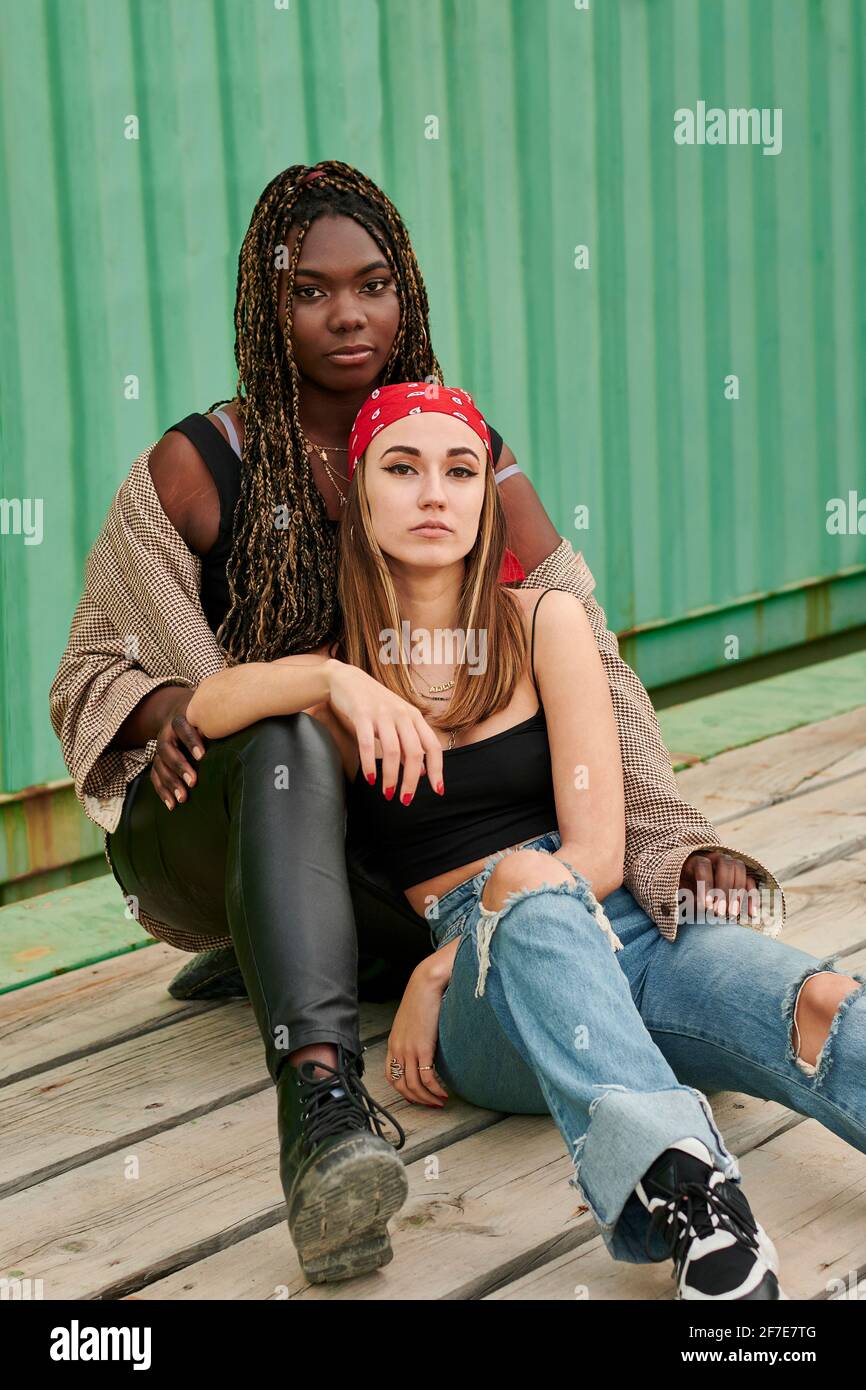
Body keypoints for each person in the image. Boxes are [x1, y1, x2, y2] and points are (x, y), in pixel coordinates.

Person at [47, 160, 790, 1285]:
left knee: (488, 843)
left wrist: (668, 841)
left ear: (409, 296)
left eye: (374, 284)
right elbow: (92, 662)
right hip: (211, 807)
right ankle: (324, 1114)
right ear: (265, 301)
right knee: (291, 735)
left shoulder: (450, 445)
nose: (348, 314)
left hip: (387, 850)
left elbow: (579, 640)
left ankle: (308, 955)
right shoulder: (200, 466)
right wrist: (196, 699)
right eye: (310, 289)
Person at [186, 381, 866, 1299]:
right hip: (492, 995)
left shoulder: (545, 621)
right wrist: (333, 683)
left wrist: (435, 962)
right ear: (362, 496)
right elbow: (208, 705)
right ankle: (698, 1203)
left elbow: (598, 852)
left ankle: (666, 1127)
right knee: (521, 878)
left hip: (623, 925)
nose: (434, 493)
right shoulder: (340, 674)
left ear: (482, 501)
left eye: (460, 471)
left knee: (818, 1002)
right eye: (403, 468)